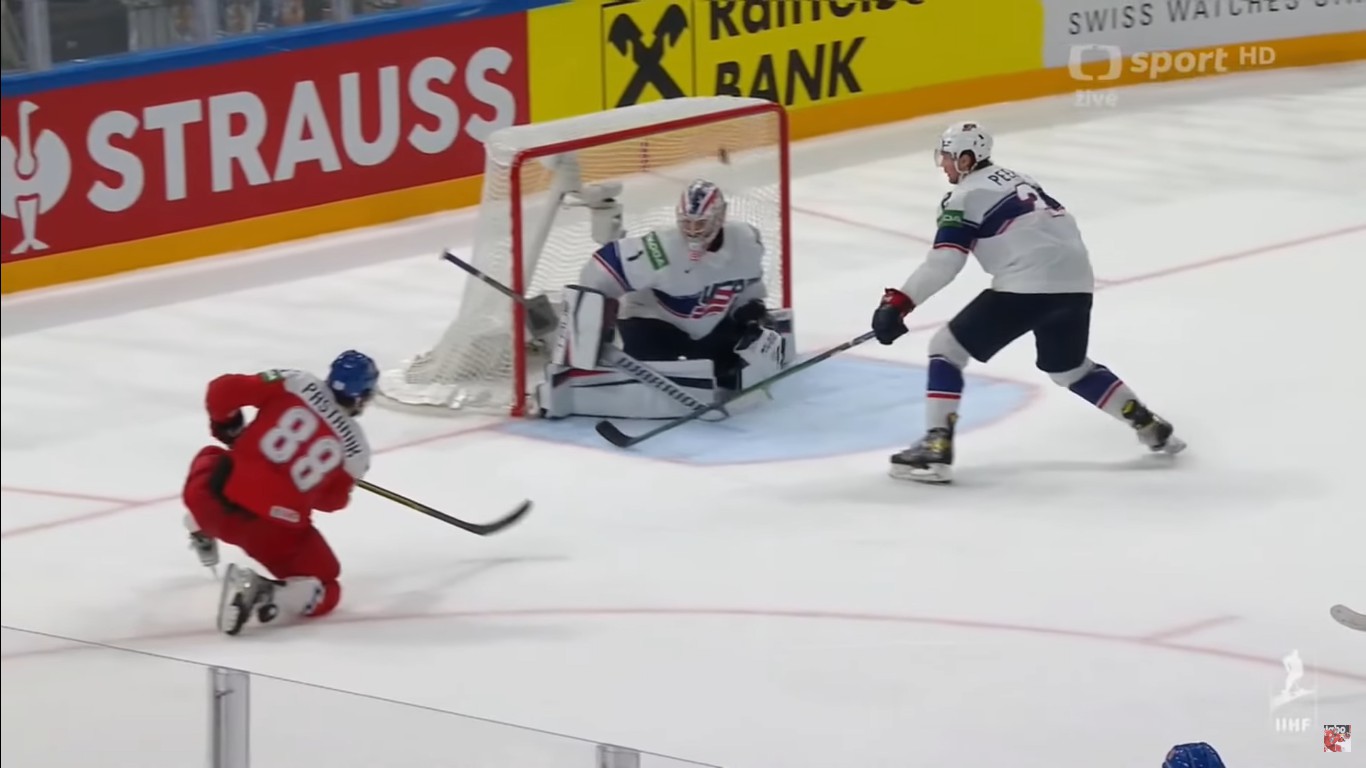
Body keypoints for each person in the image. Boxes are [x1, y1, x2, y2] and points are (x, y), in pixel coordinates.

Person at [870, 121, 1185, 484]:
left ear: (969, 158)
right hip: (1077, 284)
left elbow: (946, 261)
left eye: (949, 157)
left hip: (1027, 284)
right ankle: (1145, 422)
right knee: (1068, 369)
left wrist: (900, 302)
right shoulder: (1022, 179)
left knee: (945, 349)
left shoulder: (963, 197)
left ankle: (935, 447)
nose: (943, 164)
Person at [535, 178, 793, 419]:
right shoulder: (661, 250)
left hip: (707, 327)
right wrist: (595, 326)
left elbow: (749, 282)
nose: (692, 232)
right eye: (686, 223)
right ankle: (577, 377)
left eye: (700, 223)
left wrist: (750, 307)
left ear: (721, 216)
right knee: (651, 365)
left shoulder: (746, 240)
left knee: (734, 369)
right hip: (654, 325)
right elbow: (599, 269)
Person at [181, 350, 378, 635]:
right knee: (327, 585)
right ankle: (266, 592)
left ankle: (199, 525)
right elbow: (332, 501)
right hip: (272, 533)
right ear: (362, 397)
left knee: (214, 457)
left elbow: (222, 391)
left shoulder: (297, 382)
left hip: (212, 500)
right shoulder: (357, 451)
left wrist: (229, 426)